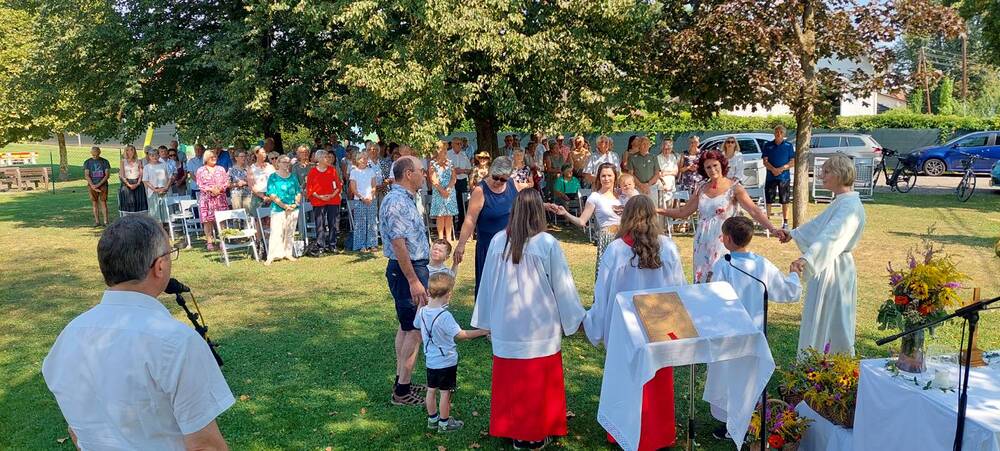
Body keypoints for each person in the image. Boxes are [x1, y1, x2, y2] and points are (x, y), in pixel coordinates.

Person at [42, 215, 233, 450]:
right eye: (170, 253)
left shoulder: (68, 337)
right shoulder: (178, 342)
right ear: (160, 266)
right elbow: (205, 446)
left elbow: (76, 432)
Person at [472, 189, 586, 450]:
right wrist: (574, 318)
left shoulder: (499, 241)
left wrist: (487, 319)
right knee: (536, 381)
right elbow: (562, 286)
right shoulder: (546, 243)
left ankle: (514, 429)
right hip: (539, 325)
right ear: (538, 212)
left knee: (512, 380)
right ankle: (533, 434)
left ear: (513, 211)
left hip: (508, 323)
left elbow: (487, 284)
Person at [584, 195, 685, 450]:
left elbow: (602, 292)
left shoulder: (617, 250)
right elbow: (680, 289)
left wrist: (596, 324)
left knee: (626, 379)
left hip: (625, 326)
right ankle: (657, 434)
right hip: (660, 325)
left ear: (626, 216)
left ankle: (625, 431)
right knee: (657, 379)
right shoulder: (667, 247)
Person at [705, 216, 801, 439]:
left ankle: (738, 422)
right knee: (746, 376)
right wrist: (794, 275)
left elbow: (714, 298)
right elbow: (787, 291)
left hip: (730, 332)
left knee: (730, 376)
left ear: (727, 239)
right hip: (753, 333)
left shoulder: (723, 265)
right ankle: (741, 421)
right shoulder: (761, 264)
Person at [657, 150, 784, 283]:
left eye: (715, 165)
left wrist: (773, 229)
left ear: (721, 165)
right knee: (702, 282)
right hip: (702, 244)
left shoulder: (735, 188)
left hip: (725, 242)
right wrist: (657, 210)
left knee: (722, 280)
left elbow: (754, 211)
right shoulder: (701, 188)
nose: (712, 170)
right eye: (708, 167)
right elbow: (683, 212)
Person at [782, 154, 866, 355]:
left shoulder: (850, 206)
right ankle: (815, 361)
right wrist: (793, 234)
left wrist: (806, 258)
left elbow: (831, 237)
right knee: (820, 317)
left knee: (834, 319)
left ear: (840, 173)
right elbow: (818, 226)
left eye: (826, 172)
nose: (821, 176)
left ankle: (832, 365)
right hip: (827, 265)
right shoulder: (841, 202)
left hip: (836, 270)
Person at [379, 156, 432, 406]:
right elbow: (398, 244)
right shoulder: (397, 201)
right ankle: (402, 391)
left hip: (410, 269)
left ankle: (402, 380)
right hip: (407, 271)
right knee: (414, 330)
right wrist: (413, 280)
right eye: (421, 170)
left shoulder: (406, 198)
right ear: (409, 174)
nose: (424, 174)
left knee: (406, 326)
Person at [415, 272, 490, 433]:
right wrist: (483, 331)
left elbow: (416, 324)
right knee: (445, 393)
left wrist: (420, 306)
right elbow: (461, 335)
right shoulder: (445, 316)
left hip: (431, 361)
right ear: (449, 294)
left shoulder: (422, 312)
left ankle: (432, 420)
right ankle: (444, 423)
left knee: (431, 390)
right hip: (446, 362)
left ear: (428, 292)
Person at [454, 157, 521, 302]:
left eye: (503, 179)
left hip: (510, 246)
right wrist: (461, 245)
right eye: (495, 177)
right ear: (490, 172)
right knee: (489, 289)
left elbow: (522, 206)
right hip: (489, 247)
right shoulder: (480, 190)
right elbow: (470, 219)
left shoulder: (512, 184)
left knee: (510, 289)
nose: (498, 182)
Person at [552, 163, 622, 277]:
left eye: (609, 175)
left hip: (624, 238)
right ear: (599, 178)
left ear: (615, 176)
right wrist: (565, 213)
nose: (606, 179)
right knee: (607, 276)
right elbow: (582, 221)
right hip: (607, 239)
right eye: (603, 176)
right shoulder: (595, 197)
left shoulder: (622, 195)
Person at [264, 155, 301, 265]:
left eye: (288, 162)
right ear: (278, 163)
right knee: (276, 232)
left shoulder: (293, 177)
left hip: (293, 208)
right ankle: (272, 256)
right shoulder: (273, 177)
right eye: (284, 162)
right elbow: (272, 194)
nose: (286, 164)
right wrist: (284, 206)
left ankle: (288, 253)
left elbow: (298, 192)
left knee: (290, 231)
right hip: (278, 209)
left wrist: (295, 203)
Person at [306, 150, 342, 254]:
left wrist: (331, 195)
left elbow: (338, 185)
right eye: (326, 157)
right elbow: (309, 188)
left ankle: (332, 245)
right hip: (318, 201)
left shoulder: (332, 170)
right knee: (320, 224)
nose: (329, 159)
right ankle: (320, 246)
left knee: (333, 223)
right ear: (320, 159)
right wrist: (320, 197)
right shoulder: (312, 172)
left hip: (333, 200)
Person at [195, 150, 231, 251]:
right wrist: (211, 190)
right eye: (212, 157)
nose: (214, 158)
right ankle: (209, 242)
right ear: (206, 159)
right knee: (207, 221)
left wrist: (219, 189)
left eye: (215, 156)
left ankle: (222, 241)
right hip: (206, 199)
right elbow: (200, 184)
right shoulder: (200, 170)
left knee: (221, 220)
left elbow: (226, 182)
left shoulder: (221, 169)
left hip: (220, 198)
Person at [762, 125, 795, 229]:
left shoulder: (788, 146)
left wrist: (780, 169)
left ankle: (785, 223)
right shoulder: (768, 145)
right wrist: (773, 169)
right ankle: (767, 222)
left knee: (785, 200)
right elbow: (765, 161)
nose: (779, 134)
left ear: (784, 134)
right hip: (770, 177)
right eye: (777, 132)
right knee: (769, 200)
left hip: (784, 177)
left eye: (781, 132)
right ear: (774, 133)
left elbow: (792, 162)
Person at [349, 148, 379, 252]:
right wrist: (362, 198)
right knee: (360, 223)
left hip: (371, 200)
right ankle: (361, 245)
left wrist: (370, 196)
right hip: (359, 200)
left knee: (372, 222)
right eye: (363, 158)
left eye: (366, 158)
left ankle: (372, 244)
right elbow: (353, 188)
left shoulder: (371, 171)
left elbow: (374, 186)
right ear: (358, 160)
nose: (365, 160)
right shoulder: (354, 172)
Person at [430, 141, 459, 241]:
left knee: (449, 215)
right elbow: (433, 179)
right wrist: (442, 191)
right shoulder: (433, 163)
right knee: (440, 215)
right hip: (438, 191)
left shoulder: (450, 163)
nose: (445, 151)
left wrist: (449, 189)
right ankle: (441, 238)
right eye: (443, 149)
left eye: (446, 149)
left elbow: (454, 177)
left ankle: (449, 238)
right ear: (438, 150)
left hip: (450, 191)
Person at [448, 137, 472, 233]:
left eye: (461, 144)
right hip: (451, 181)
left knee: (462, 204)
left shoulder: (464, 154)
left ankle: (461, 226)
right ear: (452, 144)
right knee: (452, 203)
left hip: (462, 181)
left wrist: (462, 171)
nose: (460, 146)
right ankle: (451, 227)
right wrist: (453, 171)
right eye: (457, 143)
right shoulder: (448, 154)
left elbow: (469, 169)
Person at [141, 147, 170, 225]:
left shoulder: (164, 165)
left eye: (156, 155)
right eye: (152, 155)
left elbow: (170, 177)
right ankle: (158, 229)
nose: (154, 157)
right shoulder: (147, 167)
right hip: (153, 191)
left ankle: (166, 229)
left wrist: (166, 187)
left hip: (164, 191)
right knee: (155, 213)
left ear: (159, 155)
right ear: (149, 157)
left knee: (165, 212)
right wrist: (155, 189)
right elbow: (145, 180)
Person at [84, 146, 111, 226]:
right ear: (91, 153)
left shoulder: (105, 161)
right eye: (93, 153)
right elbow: (86, 175)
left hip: (103, 185)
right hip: (92, 185)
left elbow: (107, 175)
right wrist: (92, 185)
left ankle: (106, 221)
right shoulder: (87, 162)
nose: (95, 155)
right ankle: (97, 221)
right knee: (94, 202)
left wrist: (98, 185)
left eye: (96, 153)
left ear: (99, 152)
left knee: (103, 202)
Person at [118, 145, 148, 214]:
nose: (130, 151)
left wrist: (137, 183)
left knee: (139, 206)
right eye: (128, 150)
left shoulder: (139, 161)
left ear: (134, 151)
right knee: (128, 205)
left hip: (138, 183)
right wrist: (128, 184)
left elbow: (141, 173)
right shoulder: (123, 161)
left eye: (132, 149)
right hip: (126, 184)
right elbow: (122, 175)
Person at [248, 147, 276, 214]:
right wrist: (263, 197)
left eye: (265, 152)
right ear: (256, 154)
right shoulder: (251, 168)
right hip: (258, 197)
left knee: (273, 216)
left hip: (272, 195)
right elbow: (251, 186)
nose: (265, 154)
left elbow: (276, 180)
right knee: (258, 217)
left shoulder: (270, 166)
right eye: (262, 152)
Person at [656, 138, 679, 209]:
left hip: (671, 187)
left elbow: (676, 172)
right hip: (662, 187)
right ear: (662, 147)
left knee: (670, 208)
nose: (666, 151)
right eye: (665, 148)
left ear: (671, 148)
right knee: (662, 209)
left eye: (668, 149)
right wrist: (664, 184)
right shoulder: (658, 158)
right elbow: (659, 174)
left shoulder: (673, 157)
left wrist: (665, 173)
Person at [228, 150, 252, 215]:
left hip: (247, 194)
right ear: (236, 158)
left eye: (244, 156)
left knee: (248, 215)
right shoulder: (231, 170)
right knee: (238, 215)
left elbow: (253, 181)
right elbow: (228, 184)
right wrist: (236, 184)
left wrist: (245, 183)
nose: (244, 158)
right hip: (236, 194)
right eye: (241, 156)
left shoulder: (248, 169)